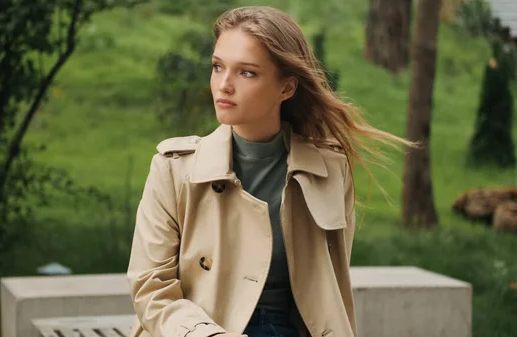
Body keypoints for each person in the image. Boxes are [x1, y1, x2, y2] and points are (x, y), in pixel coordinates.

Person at [127, 6, 410, 337]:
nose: (224, 85)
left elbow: (329, 284)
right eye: (217, 67)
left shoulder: (329, 169)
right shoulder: (174, 169)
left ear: (286, 88)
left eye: (246, 73)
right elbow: (151, 288)